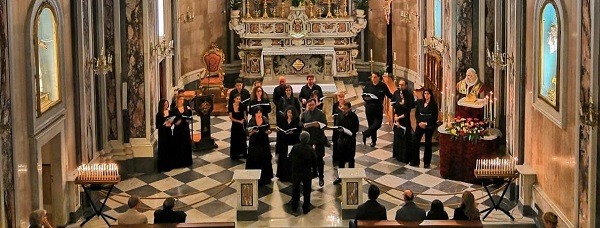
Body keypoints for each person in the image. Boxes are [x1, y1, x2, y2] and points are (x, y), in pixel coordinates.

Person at [300, 99, 327, 187]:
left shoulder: (320, 113)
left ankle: (321, 177)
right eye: (309, 105)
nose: (311, 107)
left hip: (319, 139)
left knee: (319, 159)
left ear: (315, 104)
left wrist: (318, 125)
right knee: (308, 160)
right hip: (309, 140)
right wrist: (304, 125)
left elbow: (325, 124)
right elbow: (301, 124)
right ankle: (310, 176)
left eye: (312, 105)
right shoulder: (304, 114)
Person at [361, 72, 393, 147]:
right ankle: (373, 141)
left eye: (375, 77)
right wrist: (365, 98)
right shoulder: (368, 85)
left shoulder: (382, 86)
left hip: (378, 107)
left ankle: (366, 133)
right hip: (369, 107)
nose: (373, 79)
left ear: (378, 78)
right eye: (372, 77)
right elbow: (364, 94)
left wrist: (396, 98)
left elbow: (389, 95)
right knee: (371, 124)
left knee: (378, 124)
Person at [289, 131, 317, 214]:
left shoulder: (295, 147)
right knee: (307, 190)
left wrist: (291, 169)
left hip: (296, 172)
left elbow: (290, 158)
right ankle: (306, 207)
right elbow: (314, 161)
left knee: (295, 189)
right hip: (307, 172)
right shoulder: (310, 149)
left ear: (300, 139)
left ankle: (294, 206)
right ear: (308, 140)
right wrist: (315, 172)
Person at [411, 88, 438, 168]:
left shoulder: (434, 104)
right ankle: (415, 161)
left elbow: (434, 117)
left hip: (429, 126)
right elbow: (417, 114)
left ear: (430, 95)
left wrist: (426, 123)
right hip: (420, 125)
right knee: (415, 140)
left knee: (428, 143)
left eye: (428, 94)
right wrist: (419, 122)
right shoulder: (420, 102)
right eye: (425, 93)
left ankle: (426, 162)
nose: (426, 95)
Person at [333, 102, 359, 185]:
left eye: (345, 109)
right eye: (342, 108)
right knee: (341, 160)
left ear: (349, 108)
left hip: (350, 140)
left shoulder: (354, 116)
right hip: (341, 140)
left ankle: (351, 176)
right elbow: (337, 125)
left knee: (351, 158)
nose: (343, 110)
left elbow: (356, 128)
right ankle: (340, 176)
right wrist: (339, 129)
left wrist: (348, 130)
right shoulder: (340, 115)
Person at [246, 107, 273, 185]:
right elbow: (248, 133)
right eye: (257, 112)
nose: (259, 114)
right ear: (254, 114)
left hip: (264, 142)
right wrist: (253, 131)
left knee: (265, 159)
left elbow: (269, 129)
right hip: (255, 143)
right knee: (255, 159)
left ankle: (265, 178)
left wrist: (268, 131)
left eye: (260, 112)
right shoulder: (252, 121)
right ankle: (254, 177)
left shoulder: (264, 119)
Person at [392, 78, 415, 163]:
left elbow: (408, 110)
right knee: (397, 137)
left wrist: (399, 118)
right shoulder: (396, 93)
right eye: (399, 85)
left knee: (405, 138)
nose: (400, 86)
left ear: (406, 85)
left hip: (405, 119)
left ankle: (404, 157)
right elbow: (395, 106)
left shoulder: (409, 95)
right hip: (397, 118)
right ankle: (398, 155)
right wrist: (396, 118)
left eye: (402, 85)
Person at [275, 106, 300, 182]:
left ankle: (291, 175)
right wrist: (280, 131)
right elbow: (280, 129)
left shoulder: (296, 120)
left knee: (291, 159)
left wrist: (293, 132)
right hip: (284, 142)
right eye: (288, 112)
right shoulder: (283, 120)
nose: (289, 114)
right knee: (283, 158)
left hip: (292, 141)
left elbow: (298, 130)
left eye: (291, 113)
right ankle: (283, 175)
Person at [170, 95, 193, 169]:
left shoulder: (186, 108)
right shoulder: (174, 110)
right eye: (180, 100)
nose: (181, 101)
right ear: (177, 100)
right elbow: (173, 121)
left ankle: (186, 161)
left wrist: (188, 120)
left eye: (182, 100)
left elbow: (189, 118)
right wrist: (177, 122)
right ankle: (179, 162)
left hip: (185, 129)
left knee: (186, 144)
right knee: (179, 145)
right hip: (178, 130)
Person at [156, 99, 174, 172]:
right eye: (165, 104)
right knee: (163, 148)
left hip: (168, 132)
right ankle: (163, 166)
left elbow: (172, 121)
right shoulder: (159, 114)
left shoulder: (170, 112)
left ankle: (169, 165)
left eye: (167, 104)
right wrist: (164, 125)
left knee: (169, 147)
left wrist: (170, 123)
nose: (166, 106)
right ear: (162, 105)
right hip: (162, 133)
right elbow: (157, 126)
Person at [228, 93, 247, 160]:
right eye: (237, 99)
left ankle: (243, 153)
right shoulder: (231, 106)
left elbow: (245, 116)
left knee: (242, 139)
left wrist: (244, 122)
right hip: (235, 125)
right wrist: (239, 121)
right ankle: (235, 154)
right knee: (235, 139)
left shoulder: (243, 106)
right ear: (234, 99)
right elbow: (231, 117)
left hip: (241, 125)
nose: (238, 100)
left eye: (239, 99)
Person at [331, 91, 347, 166]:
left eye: (342, 96)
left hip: (344, 126)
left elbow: (349, 114)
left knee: (343, 144)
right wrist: (333, 116)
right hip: (336, 126)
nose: (340, 98)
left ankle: (343, 159)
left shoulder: (347, 105)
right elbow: (333, 114)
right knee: (335, 142)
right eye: (339, 97)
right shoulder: (335, 105)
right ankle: (335, 159)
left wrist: (343, 111)